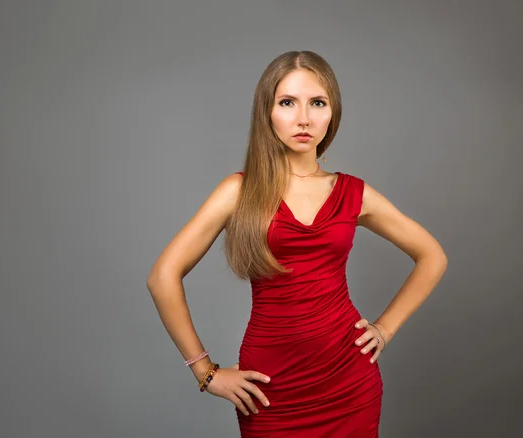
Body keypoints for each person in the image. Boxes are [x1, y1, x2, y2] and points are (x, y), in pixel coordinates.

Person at [146, 50, 448, 437]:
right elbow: (162, 277)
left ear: (332, 114)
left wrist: (385, 329)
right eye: (287, 102)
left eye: (317, 103)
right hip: (271, 389)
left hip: (349, 383)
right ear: (267, 112)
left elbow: (432, 256)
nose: (303, 118)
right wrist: (205, 373)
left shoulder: (354, 193)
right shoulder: (239, 190)